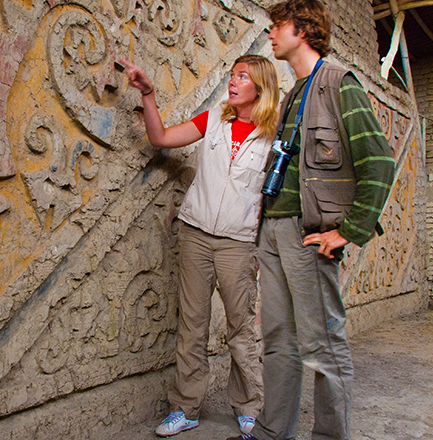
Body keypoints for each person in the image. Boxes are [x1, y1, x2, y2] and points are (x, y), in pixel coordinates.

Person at [229, 1, 395, 440]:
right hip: (275, 229)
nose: (270, 34)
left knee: (323, 346)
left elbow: (379, 162)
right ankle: (271, 432)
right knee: (278, 341)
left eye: (276, 26)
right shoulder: (293, 92)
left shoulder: (339, 83)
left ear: (301, 29)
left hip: (308, 233)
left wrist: (349, 230)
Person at [121, 55, 280, 437]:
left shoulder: (273, 137)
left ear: (260, 86)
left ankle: (249, 409)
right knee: (192, 325)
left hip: (238, 244)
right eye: (232, 75)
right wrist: (148, 95)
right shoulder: (214, 121)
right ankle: (186, 408)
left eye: (242, 76)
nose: (233, 81)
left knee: (240, 329)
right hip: (195, 235)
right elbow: (160, 139)